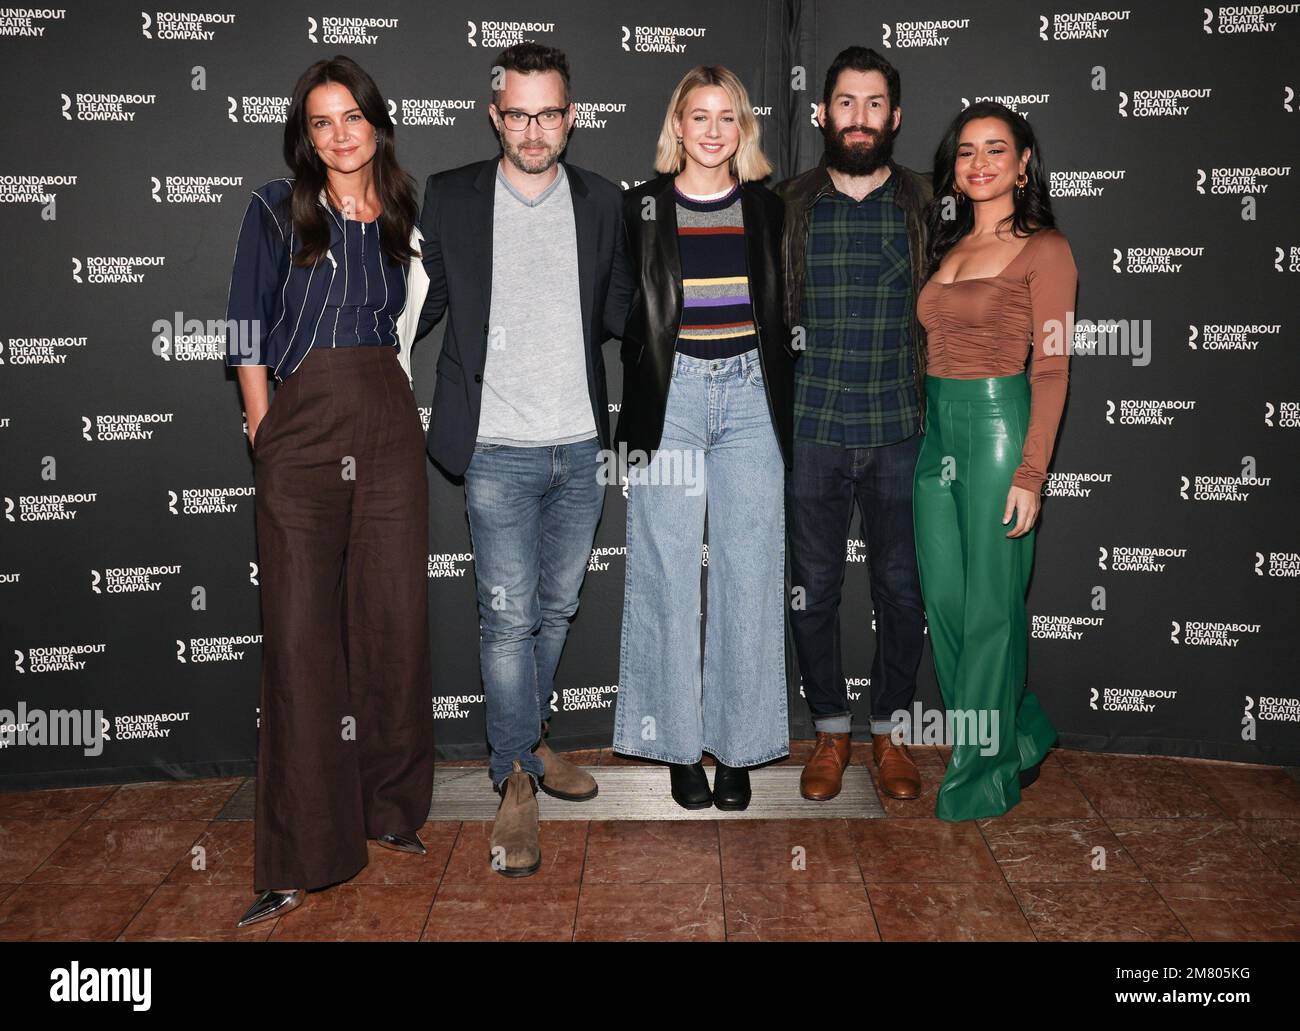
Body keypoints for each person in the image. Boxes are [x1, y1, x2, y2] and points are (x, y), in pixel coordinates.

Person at [411, 43, 634, 875]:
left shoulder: (605, 202)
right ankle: (514, 780)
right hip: (496, 450)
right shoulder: (453, 197)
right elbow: (414, 307)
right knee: (508, 620)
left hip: (579, 447)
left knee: (559, 604)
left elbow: (617, 310)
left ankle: (530, 745)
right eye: (518, 114)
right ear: (495, 114)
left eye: (549, 114)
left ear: (570, 117)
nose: (533, 130)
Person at [224, 55, 433, 927]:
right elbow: (244, 325)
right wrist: (265, 427)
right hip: (301, 430)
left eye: (352, 117)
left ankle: (388, 808)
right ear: (304, 136)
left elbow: (414, 323)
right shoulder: (274, 209)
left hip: (386, 418)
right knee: (302, 638)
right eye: (321, 122)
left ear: (377, 123)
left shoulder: (405, 215)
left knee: (391, 620)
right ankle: (300, 850)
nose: (339, 134)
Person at [611, 65, 793, 811]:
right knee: (665, 573)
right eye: (699, 116)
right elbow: (620, 306)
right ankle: (677, 746)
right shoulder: (640, 209)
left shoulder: (769, 210)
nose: (713, 130)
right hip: (672, 397)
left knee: (750, 576)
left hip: (752, 397)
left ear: (742, 128)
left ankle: (741, 748)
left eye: (728, 117)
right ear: (676, 125)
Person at [774, 47, 931, 804]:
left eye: (874, 105)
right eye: (846, 103)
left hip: (904, 428)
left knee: (903, 590)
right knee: (814, 589)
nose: (859, 118)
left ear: (894, 117)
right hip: (811, 431)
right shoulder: (787, 204)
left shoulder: (929, 204)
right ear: (823, 113)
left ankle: (891, 732)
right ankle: (831, 731)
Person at [914, 100, 1076, 820]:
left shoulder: (1047, 249)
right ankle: (1022, 728)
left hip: (998, 424)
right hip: (936, 433)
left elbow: (1052, 369)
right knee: (948, 605)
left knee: (990, 611)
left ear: (1023, 162)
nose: (979, 164)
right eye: (967, 152)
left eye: (995, 150)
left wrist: (1031, 472)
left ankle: (980, 774)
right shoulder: (946, 247)